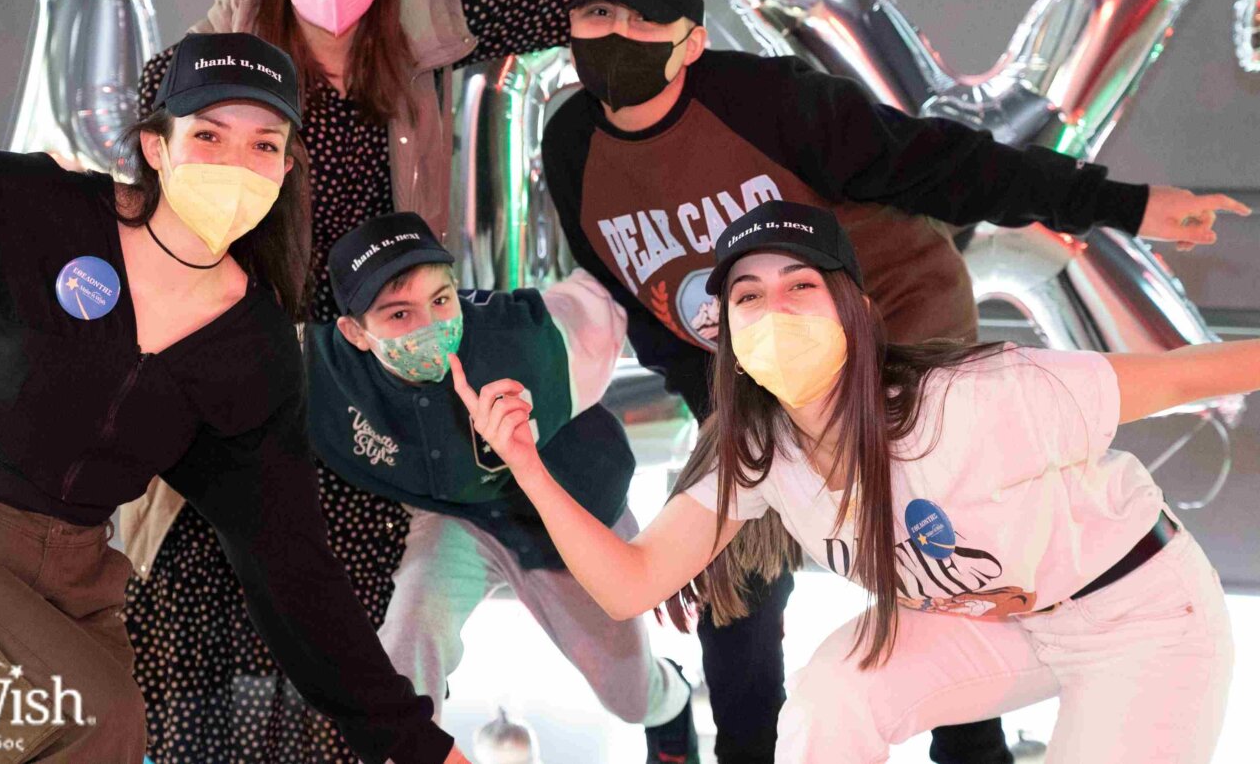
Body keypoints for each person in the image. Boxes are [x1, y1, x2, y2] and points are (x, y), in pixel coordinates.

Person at [120, 0, 838, 764]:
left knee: (358, 643)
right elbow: (146, 222)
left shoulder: (428, 19)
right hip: (266, 371)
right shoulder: (203, 72)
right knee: (200, 611)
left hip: (387, 364)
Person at [539, 0, 1251, 763]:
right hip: (756, 368)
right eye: (599, 14)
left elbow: (945, 165)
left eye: (643, 20)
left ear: (689, 40)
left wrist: (1126, 205)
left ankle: (973, 743)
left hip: (898, 328)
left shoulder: (764, 103)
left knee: (930, 527)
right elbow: (647, 304)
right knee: (734, 574)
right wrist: (719, 436)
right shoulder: (573, 148)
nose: (617, 35)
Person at [0, 34, 472, 764]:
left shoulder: (253, 350)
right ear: (156, 145)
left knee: (113, 733)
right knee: (94, 725)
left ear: (285, 167)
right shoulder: (37, 209)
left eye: (264, 145)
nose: (236, 165)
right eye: (209, 136)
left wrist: (419, 747)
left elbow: (293, 572)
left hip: (66, 591)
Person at [457, 199, 1248, 763]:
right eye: (749, 296)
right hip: (1000, 623)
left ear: (857, 312)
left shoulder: (975, 398)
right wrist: (526, 463)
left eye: (801, 287)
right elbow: (630, 584)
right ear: (727, 334)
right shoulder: (760, 450)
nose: (775, 312)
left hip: (1141, 616)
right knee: (834, 694)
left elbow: (1182, 377)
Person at [310, 211, 697, 760]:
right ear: (355, 332)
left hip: (570, 518)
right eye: (399, 313)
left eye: (441, 300)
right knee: (409, 638)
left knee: (631, 697)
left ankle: (670, 700)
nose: (429, 325)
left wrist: (669, 549)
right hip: (461, 521)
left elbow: (609, 283)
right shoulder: (320, 374)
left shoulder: (534, 338)